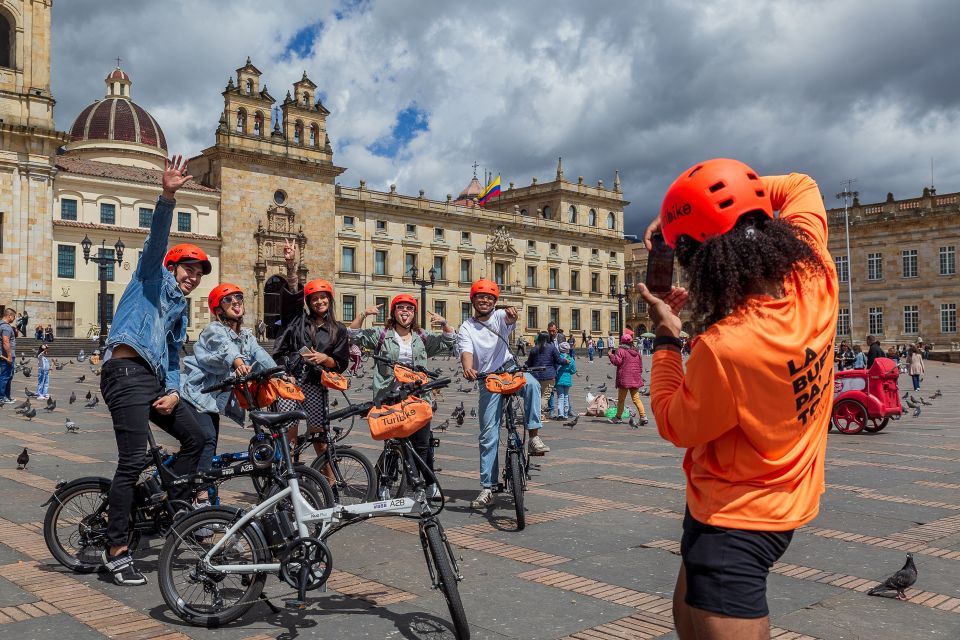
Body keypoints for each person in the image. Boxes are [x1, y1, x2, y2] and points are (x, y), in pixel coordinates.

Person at [638, 159, 836, 639]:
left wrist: (666, 339)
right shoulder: (815, 277)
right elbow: (799, 184)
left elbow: (674, 423)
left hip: (735, 521)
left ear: (703, 261)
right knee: (690, 606)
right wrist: (687, 215)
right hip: (782, 501)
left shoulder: (728, 346)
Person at [99, 155, 207, 586]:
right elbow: (156, 242)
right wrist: (168, 196)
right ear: (171, 267)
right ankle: (116, 551)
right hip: (124, 373)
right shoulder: (147, 279)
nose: (193, 277)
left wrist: (177, 390)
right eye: (188, 269)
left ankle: (159, 502)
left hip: (154, 382)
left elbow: (176, 356)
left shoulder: (180, 310)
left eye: (199, 273)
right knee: (131, 461)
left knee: (198, 435)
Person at [350, 293, 456, 500]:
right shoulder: (381, 335)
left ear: (414, 314)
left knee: (422, 444)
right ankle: (385, 484)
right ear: (394, 312)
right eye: (401, 308)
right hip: (390, 397)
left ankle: (426, 484)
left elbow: (449, 340)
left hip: (418, 398)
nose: (405, 311)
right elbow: (353, 335)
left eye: (409, 308)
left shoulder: (421, 337)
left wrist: (444, 324)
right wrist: (363, 314)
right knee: (392, 443)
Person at [457, 278, 547, 509]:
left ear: (494, 301)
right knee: (488, 435)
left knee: (533, 385)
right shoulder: (466, 327)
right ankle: (487, 487)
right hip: (487, 379)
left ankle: (534, 437)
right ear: (473, 301)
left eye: (489, 297)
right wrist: (468, 367)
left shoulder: (499, 316)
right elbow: (466, 351)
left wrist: (513, 315)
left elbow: (509, 319)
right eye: (480, 297)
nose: (485, 300)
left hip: (508, 370)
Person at [180, 283, 278, 475]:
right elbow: (226, 348)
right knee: (207, 439)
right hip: (194, 396)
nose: (235, 302)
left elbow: (260, 355)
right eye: (228, 300)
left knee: (210, 445)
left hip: (211, 401)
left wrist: (280, 374)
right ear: (218, 309)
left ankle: (203, 482)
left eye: (238, 298)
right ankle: (199, 494)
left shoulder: (245, 336)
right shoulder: (213, 330)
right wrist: (238, 362)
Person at [273, 240, 349, 480]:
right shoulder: (297, 320)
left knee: (319, 435)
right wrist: (291, 265)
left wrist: (325, 358)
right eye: (314, 298)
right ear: (309, 302)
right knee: (290, 433)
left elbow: (340, 363)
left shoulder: (338, 330)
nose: (319, 302)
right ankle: (287, 479)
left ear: (329, 300)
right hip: (290, 382)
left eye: (323, 298)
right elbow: (293, 295)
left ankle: (330, 481)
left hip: (315, 385)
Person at [607, 334, 648, 425]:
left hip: (624, 379)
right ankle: (643, 416)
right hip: (635, 378)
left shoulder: (621, 351)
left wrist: (610, 355)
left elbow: (617, 362)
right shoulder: (637, 353)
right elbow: (640, 368)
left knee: (621, 400)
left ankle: (618, 417)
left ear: (622, 342)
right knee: (636, 398)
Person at [526, 330, 566, 423]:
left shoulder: (534, 349)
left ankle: (536, 413)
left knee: (537, 396)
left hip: (535, 376)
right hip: (548, 375)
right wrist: (566, 361)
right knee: (545, 396)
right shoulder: (552, 348)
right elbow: (559, 360)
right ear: (547, 338)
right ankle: (538, 414)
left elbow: (529, 363)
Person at [552, 342, 576, 419]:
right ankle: (566, 414)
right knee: (566, 396)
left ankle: (560, 414)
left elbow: (554, 367)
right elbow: (573, 370)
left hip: (559, 379)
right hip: (567, 379)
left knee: (560, 397)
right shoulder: (571, 359)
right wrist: (568, 372)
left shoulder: (558, 358)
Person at [0, 307, 17, 403]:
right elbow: (6, 342)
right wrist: (9, 356)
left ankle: (7, 396)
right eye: (14, 316)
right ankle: (2, 397)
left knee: (8, 376)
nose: (14, 319)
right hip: (6, 357)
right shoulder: (6, 327)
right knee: (5, 376)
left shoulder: (1, 325)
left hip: (4, 355)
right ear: (9, 315)